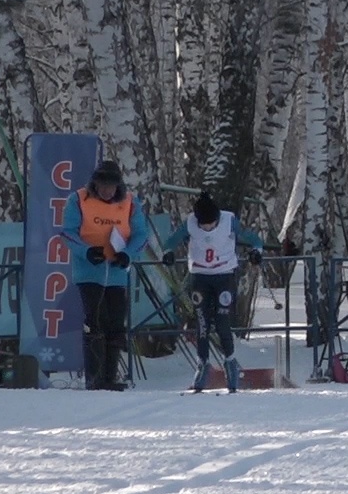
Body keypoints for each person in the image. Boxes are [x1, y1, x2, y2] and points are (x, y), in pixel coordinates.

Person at [60, 160, 151, 391]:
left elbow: (141, 235)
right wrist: (86, 251)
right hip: (89, 271)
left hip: (118, 272)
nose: (107, 191)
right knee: (95, 320)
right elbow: (68, 233)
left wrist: (128, 255)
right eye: (102, 186)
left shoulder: (131, 203)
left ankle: (110, 376)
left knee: (115, 323)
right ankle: (95, 377)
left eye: (111, 186)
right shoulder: (78, 199)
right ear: (95, 183)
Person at [159, 192, 265, 393]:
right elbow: (171, 241)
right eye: (204, 225)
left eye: (211, 224)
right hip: (200, 277)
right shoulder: (191, 223)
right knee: (202, 322)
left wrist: (256, 251)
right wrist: (168, 253)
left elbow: (252, 238)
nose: (207, 227)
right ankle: (203, 364)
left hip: (224, 275)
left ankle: (230, 363)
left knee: (223, 322)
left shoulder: (228, 220)